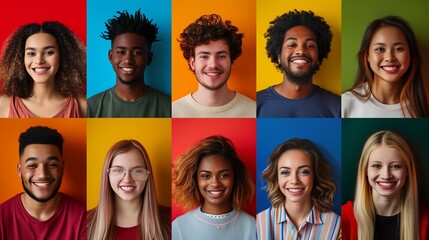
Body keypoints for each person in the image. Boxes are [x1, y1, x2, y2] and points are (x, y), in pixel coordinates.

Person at [0, 126, 86, 239]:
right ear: (20, 171)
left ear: (62, 168)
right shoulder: (2, 217)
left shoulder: (82, 218)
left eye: (52, 165)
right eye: (32, 165)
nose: (43, 174)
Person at [342, 130, 429, 240]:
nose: (386, 175)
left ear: (407, 170)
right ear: (365, 170)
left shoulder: (426, 220)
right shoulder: (344, 217)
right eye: (377, 166)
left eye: (396, 166)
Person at [87, 9, 171, 118]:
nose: (128, 60)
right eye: (121, 52)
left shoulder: (169, 107)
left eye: (137, 52)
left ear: (149, 58)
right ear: (111, 56)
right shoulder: (91, 107)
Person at [257, 10, 340, 118]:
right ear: (279, 57)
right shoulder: (257, 103)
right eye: (292, 45)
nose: (301, 50)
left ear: (318, 57)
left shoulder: (337, 106)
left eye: (310, 45)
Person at [342, 16, 429, 118]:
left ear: (411, 56)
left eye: (398, 49)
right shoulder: (346, 103)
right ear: (367, 56)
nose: (390, 58)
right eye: (380, 49)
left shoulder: (423, 105)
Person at [172, 135, 256, 239]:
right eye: (206, 176)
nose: (215, 183)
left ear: (235, 178)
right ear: (195, 180)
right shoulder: (178, 227)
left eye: (224, 175)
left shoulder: (253, 227)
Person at [172, 14, 255, 118]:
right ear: (192, 63)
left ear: (231, 62)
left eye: (221, 56)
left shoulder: (254, 110)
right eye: (204, 56)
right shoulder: (173, 111)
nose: (213, 65)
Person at [257, 138, 341, 239]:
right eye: (285, 172)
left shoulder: (337, 225)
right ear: (276, 177)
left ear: (315, 175)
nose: (294, 180)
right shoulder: (258, 223)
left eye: (304, 172)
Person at [0, 21, 87, 118]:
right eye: (31, 53)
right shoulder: (3, 105)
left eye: (49, 52)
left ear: (62, 56)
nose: (39, 61)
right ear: (21, 58)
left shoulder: (83, 105)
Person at [87, 140, 170, 239]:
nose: (127, 179)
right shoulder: (85, 223)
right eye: (118, 170)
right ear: (107, 175)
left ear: (147, 175)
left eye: (137, 171)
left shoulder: (170, 220)